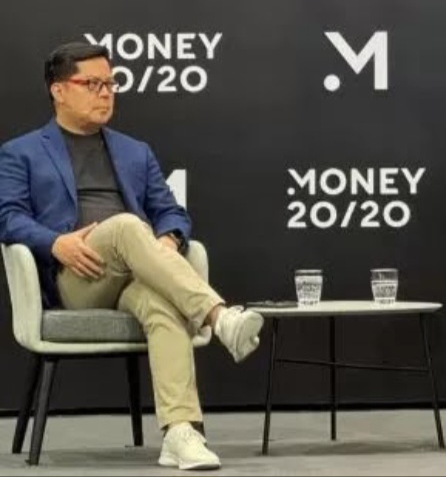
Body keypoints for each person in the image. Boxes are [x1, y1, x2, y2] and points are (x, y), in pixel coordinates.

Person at [0, 42, 266, 471]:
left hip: (136, 274)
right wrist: (55, 242)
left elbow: (171, 213)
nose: (106, 93)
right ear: (58, 91)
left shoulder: (134, 151)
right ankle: (219, 317)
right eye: (92, 84)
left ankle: (180, 433)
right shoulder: (22, 151)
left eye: (110, 83)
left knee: (162, 302)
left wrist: (168, 242)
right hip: (77, 277)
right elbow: (8, 217)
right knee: (125, 225)